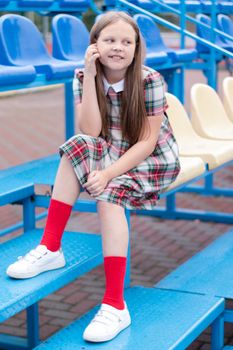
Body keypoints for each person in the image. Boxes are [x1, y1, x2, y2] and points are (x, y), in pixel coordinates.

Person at [6, 11, 180, 343]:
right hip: (112, 148)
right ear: (95, 45)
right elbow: (90, 131)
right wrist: (88, 75)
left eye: (127, 42)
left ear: (136, 47)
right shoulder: (84, 76)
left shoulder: (150, 80)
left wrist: (108, 173)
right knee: (76, 145)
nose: (118, 47)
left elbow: (146, 142)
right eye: (110, 40)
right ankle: (51, 247)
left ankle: (115, 305)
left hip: (152, 159)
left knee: (109, 193)